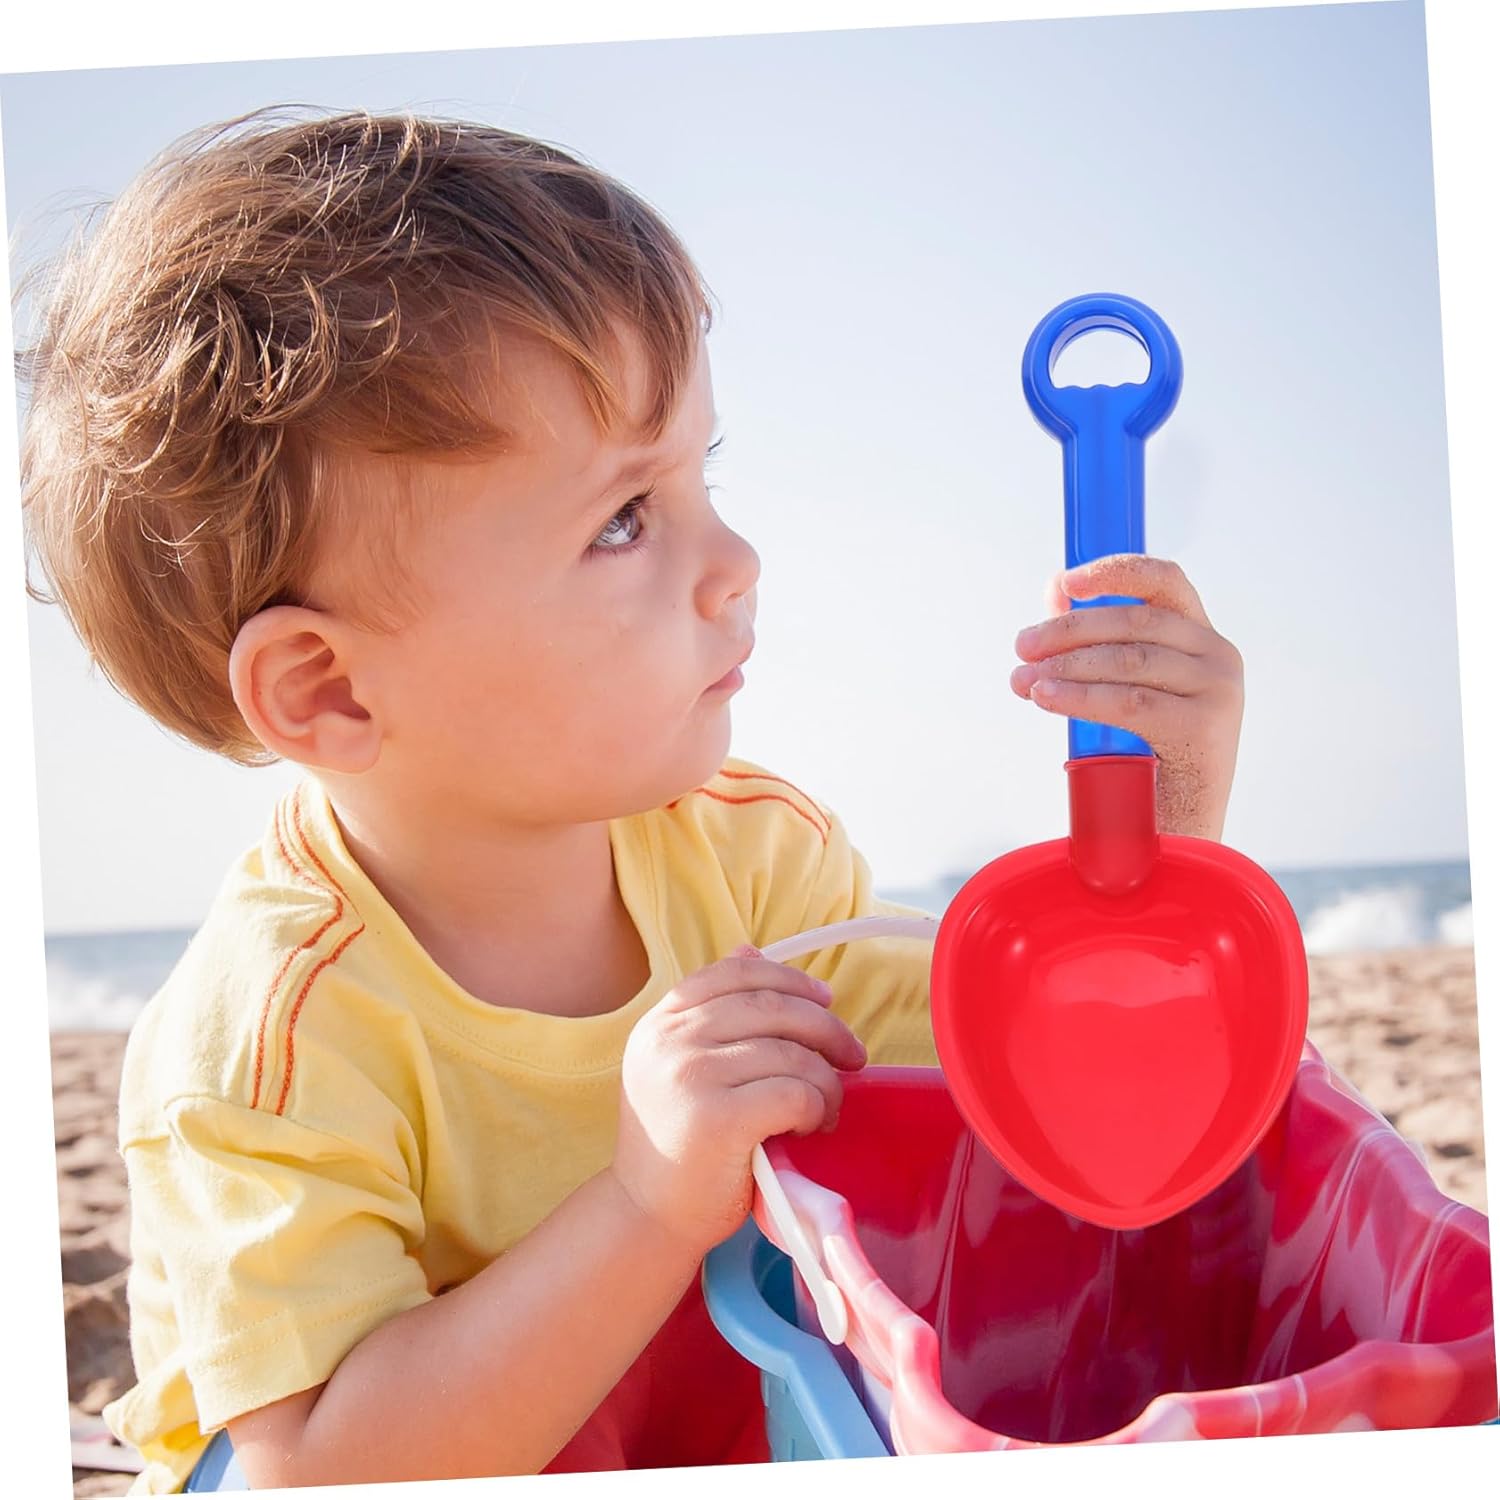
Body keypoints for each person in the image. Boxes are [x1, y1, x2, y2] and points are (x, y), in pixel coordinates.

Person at [20, 108, 1246, 1492]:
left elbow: (1028, 1109)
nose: (737, 562)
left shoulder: (752, 858)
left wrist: (1170, 806)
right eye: (622, 521)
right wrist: (644, 1204)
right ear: (330, 691)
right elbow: (325, 1466)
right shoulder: (269, 1040)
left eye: (698, 474)